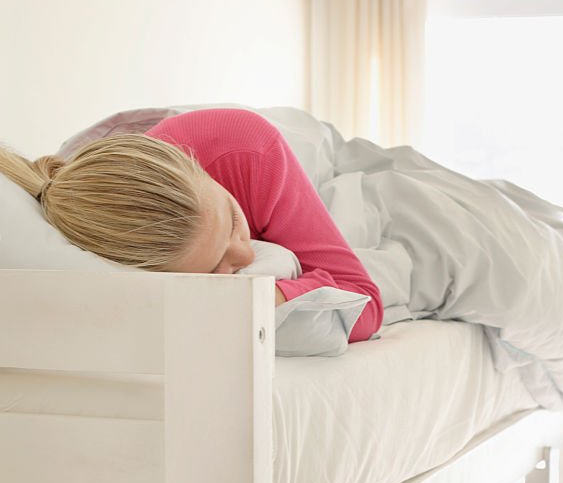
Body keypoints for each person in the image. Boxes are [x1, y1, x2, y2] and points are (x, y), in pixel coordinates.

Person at [0, 108, 383, 342]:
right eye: (218, 269)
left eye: (234, 221)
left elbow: (365, 304)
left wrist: (262, 297)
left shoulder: (251, 152)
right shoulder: (110, 223)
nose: (248, 253)